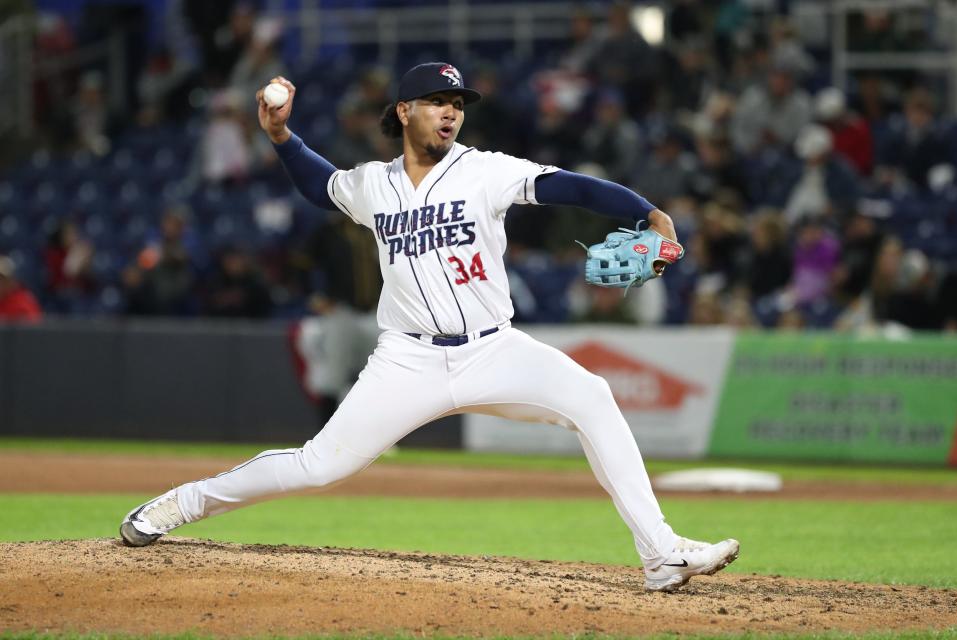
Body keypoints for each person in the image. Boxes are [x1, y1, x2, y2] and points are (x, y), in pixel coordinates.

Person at [118, 62, 739, 592]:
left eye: (458, 104)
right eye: (438, 102)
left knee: (592, 397)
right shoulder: (373, 185)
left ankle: (661, 554)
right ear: (404, 110)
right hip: (406, 361)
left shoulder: (483, 170)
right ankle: (180, 504)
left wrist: (647, 211)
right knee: (318, 466)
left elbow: (569, 186)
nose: (451, 113)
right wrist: (281, 135)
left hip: (494, 351)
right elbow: (318, 184)